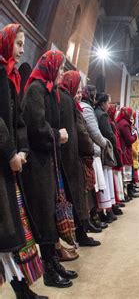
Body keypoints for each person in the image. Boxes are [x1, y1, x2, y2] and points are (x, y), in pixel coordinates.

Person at [0, 23, 47, 298]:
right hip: (3, 161)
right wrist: (9, 153)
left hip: (11, 164)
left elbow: (17, 122)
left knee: (15, 230)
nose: (21, 50)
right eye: (18, 44)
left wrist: (23, 150)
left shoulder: (12, 77)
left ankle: (22, 289)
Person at [22, 50, 76, 288]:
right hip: (37, 163)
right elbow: (35, 127)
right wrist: (57, 135)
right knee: (44, 215)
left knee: (50, 214)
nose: (63, 73)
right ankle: (49, 272)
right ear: (51, 67)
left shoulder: (48, 90)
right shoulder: (36, 89)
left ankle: (53, 263)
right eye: (61, 68)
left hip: (48, 160)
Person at [58, 71, 101, 248]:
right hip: (74, 157)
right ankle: (81, 234)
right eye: (76, 90)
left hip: (74, 156)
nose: (78, 94)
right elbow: (81, 133)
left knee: (81, 196)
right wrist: (90, 148)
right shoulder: (69, 104)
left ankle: (82, 229)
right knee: (78, 197)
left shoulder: (68, 103)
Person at [81, 86, 117, 224]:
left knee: (100, 185)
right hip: (94, 150)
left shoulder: (92, 109)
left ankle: (101, 213)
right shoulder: (96, 112)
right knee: (96, 186)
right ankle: (98, 215)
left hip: (94, 149)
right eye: (108, 102)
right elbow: (96, 132)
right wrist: (106, 144)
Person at [95, 92, 122, 216]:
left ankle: (108, 209)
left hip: (102, 150)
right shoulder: (103, 116)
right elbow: (109, 134)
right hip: (106, 151)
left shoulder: (97, 113)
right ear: (103, 103)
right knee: (106, 181)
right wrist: (114, 144)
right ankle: (107, 210)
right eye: (108, 102)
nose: (109, 105)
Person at [117, 107, 139, 198]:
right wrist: (135, 136)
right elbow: (129, 139)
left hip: (124, 149)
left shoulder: (122, 122)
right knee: (125, 175)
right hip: (125, 150)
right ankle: (125, 194)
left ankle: (126, 193)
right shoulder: (125, 124)